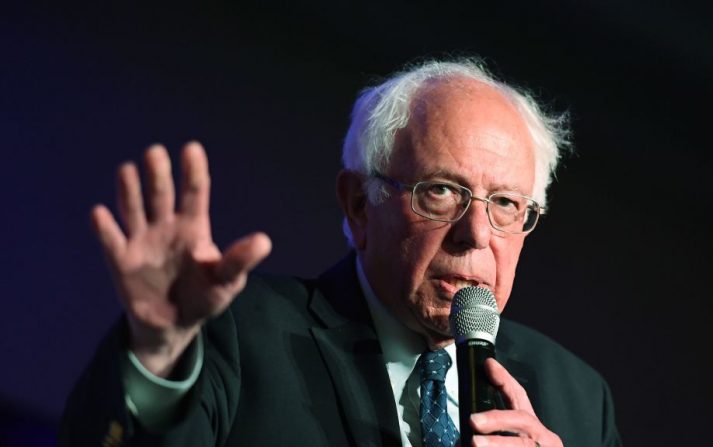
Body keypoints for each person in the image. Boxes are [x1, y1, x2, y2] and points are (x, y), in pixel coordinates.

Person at [60, 59, 621, 447]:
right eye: (442, 191)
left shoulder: (576, 398)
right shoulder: (231, 333)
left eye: (505, 203)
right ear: (359, 203)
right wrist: (158, 354)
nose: (476, 233)